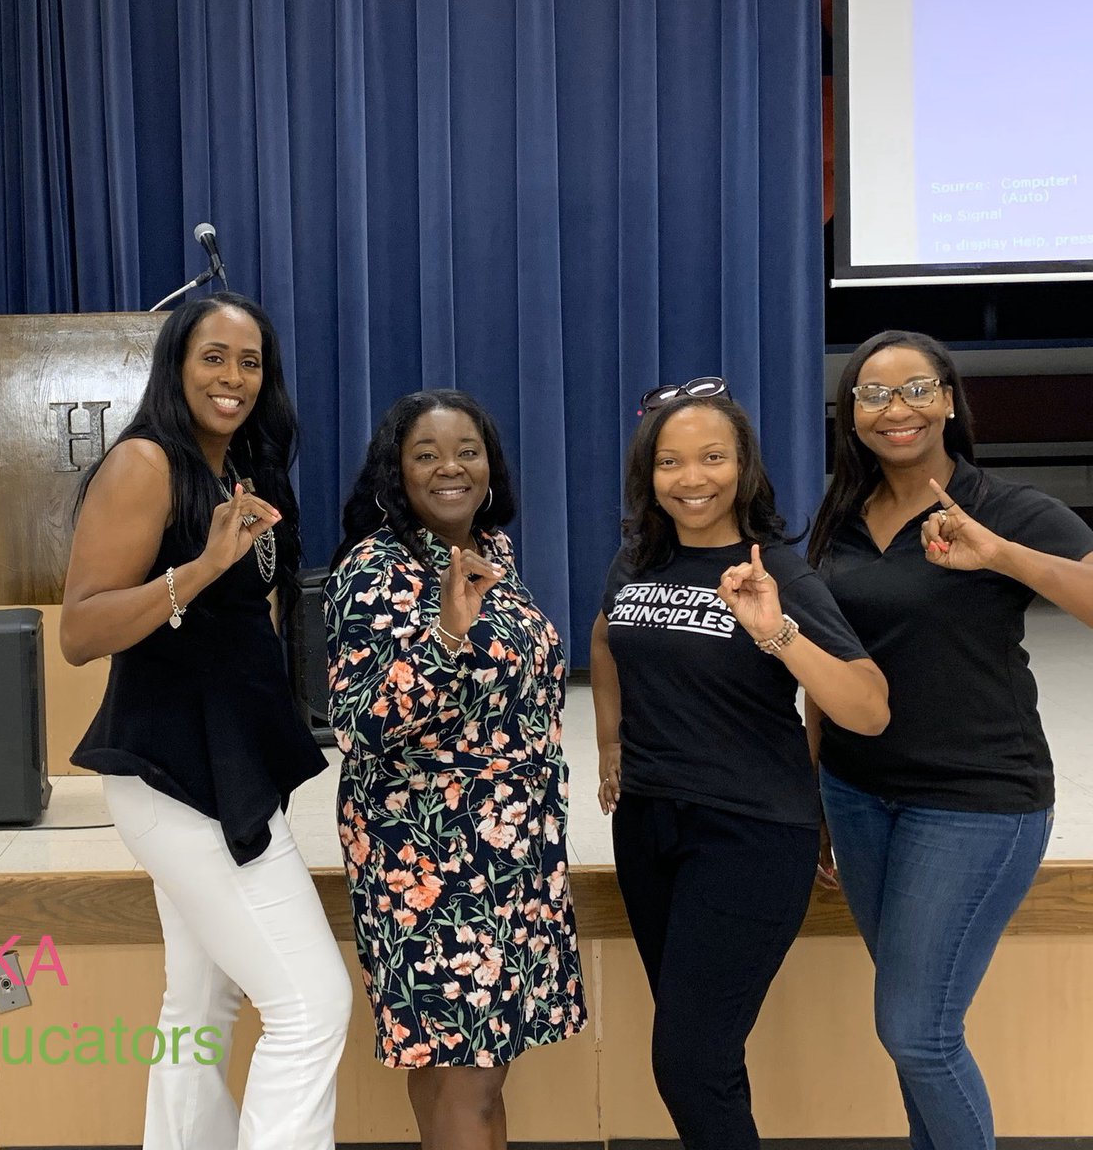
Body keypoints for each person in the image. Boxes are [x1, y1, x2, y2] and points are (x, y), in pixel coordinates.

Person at [60, 293, 352, 1150]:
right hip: (176, 775)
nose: (232, 377)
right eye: (213, 357)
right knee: (310, 1005)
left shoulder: (239, 470)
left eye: (249, 361)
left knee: (199, 1005)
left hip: (228, 762)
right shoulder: (146, 464)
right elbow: (80, 630)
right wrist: (200, 568)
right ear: (176, 365)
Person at [806, 330, 1093, 1150]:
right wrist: (817, 791)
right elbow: (833, 663)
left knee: (916, 1032)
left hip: (976, 802)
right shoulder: (841, 519)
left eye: (915, 389)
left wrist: (1001, 556)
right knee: (914, 1031)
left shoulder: (1007, 508)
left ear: (951, 400)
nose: (895, 409)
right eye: (873, 394)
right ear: (851, 415)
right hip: (859, 798)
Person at [591, 380, 889, 1150]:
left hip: (751, 834)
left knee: (687, 1062)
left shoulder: (776, 572)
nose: (692, 479)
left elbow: (866, 705)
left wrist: (775, 632)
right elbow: (605, 638)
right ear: (647, 475)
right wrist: (610, 744)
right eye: (671, 462)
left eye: (712, 457)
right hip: (652, 829)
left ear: (744, 466)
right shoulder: (640, 561)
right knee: (707, 1055)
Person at [323, 389, 585, 1150]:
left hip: (512, 850)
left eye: (466, 450)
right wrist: (443, 635)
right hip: (431, 855)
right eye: (426, 454)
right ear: (395, 472)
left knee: (462, 1065)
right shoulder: (375, 568)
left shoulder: (491, 550)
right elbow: (358, 721)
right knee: (466, 1067)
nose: (450, 468)